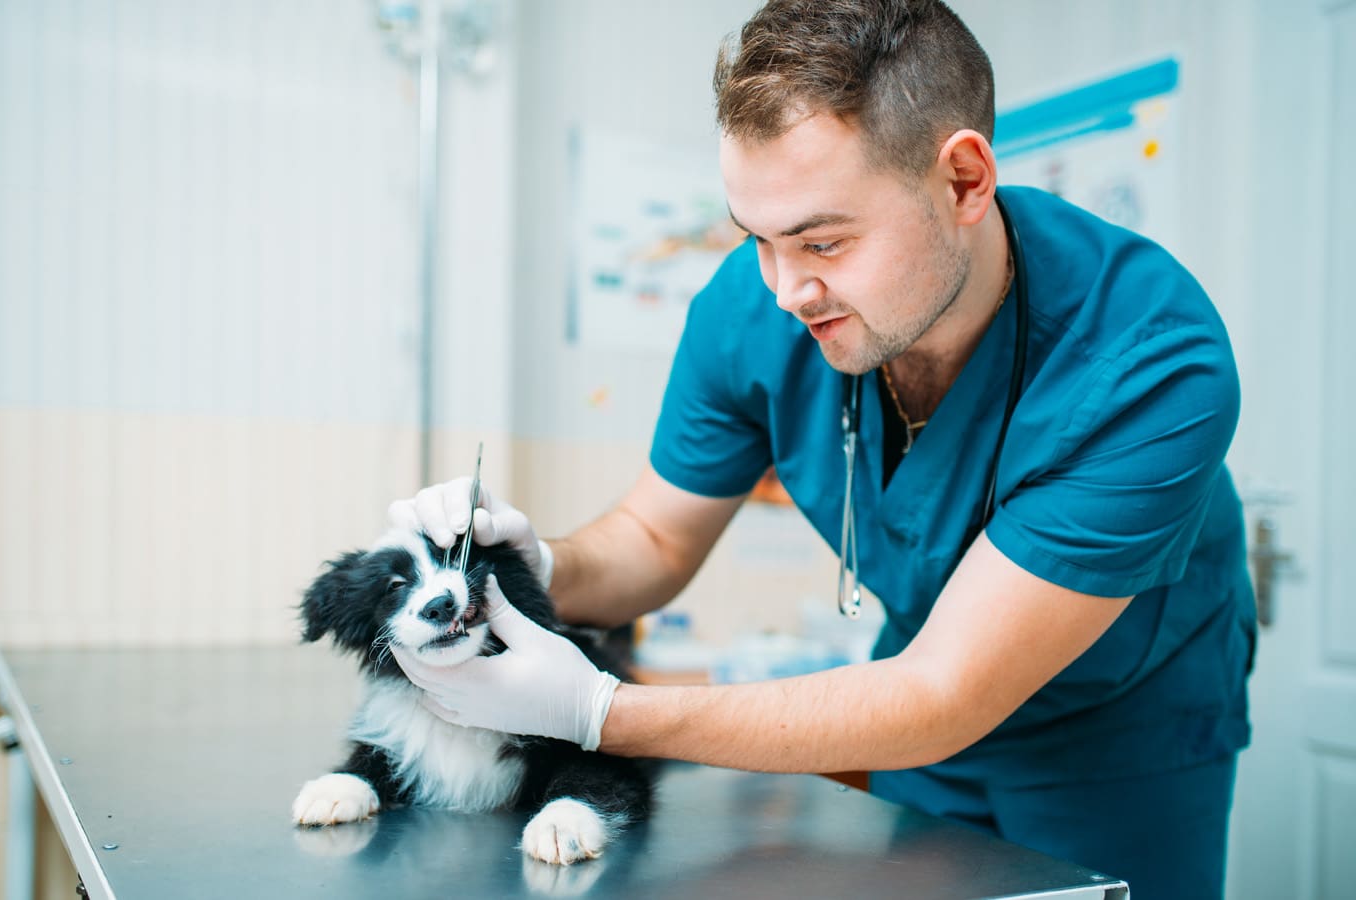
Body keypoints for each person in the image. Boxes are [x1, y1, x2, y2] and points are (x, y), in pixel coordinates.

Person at [387, 1, 1256, 897]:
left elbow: (942, 695)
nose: (784, 290)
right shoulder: (749, 308)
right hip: (907, 704)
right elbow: (654, 540)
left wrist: (599, 712)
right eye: (754, 237)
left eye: (823, 240)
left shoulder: (1147, 358)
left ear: (962, 181)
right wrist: (534, 566)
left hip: (1121, 729)